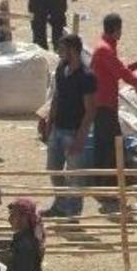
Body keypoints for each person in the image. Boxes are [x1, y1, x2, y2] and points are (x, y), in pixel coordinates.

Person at [90, 14, 137, 191]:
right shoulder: (105, 50)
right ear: (117, 29)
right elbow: (121, 73)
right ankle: (109, 183)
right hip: (104, 104)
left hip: (105, 103)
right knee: (112, 143)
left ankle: (105, 182)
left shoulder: (105, 47)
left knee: (106, 142)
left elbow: (116, 69)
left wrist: (134, 65)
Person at [43, 33, 96, 219]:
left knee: (75, 177)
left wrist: (81, 139)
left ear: (73, 50)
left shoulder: (86, 76)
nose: (59, 52)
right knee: (53, 169)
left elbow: (90, 110)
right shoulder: (61, 68)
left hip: (74, 131)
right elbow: (57, 97)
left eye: (63, 49)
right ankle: (60, 204)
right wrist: (50, 122)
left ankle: (73, 213)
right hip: (58, 128)